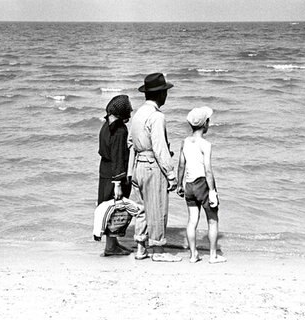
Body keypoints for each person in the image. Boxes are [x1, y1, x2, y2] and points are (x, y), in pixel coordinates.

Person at [128, 73, 182, 262]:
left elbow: (130, 142)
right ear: (160, 95)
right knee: (158, 207)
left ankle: (141, 247)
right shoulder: (157, 116)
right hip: (152, 165)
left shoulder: (138, 114)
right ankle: (158, 250)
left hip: (138, 165)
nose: (166, 96)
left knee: (141, 209)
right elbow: (160, 149)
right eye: (165, 92)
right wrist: (171, 174)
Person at [176, 106, 227, 264]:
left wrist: (179, 185)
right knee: (212, 220)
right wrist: (212, 191)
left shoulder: (185, 142)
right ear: (205, 124)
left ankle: (193, 254)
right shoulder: (206, 144)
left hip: (189, 184)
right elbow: (208, 170)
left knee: (192, 220)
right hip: (203, 183)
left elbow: (181, 165)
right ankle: (212, 255)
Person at [97, 94, 134, 256]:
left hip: (105, 171)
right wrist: (118, 182)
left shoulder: (106, 125)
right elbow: (118, 157)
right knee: (115, 208)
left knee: (107, 206)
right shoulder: (119, 130)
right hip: (114, 174)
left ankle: (113, 244)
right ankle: (111, 247)